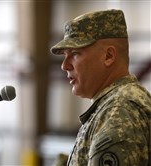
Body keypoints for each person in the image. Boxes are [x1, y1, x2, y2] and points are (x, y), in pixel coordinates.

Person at [50, 9, 151, 166]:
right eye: (65, 55)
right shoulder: (113, 106)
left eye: (75, 54)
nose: (65, 65)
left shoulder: (119, 111)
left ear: (108, 56)